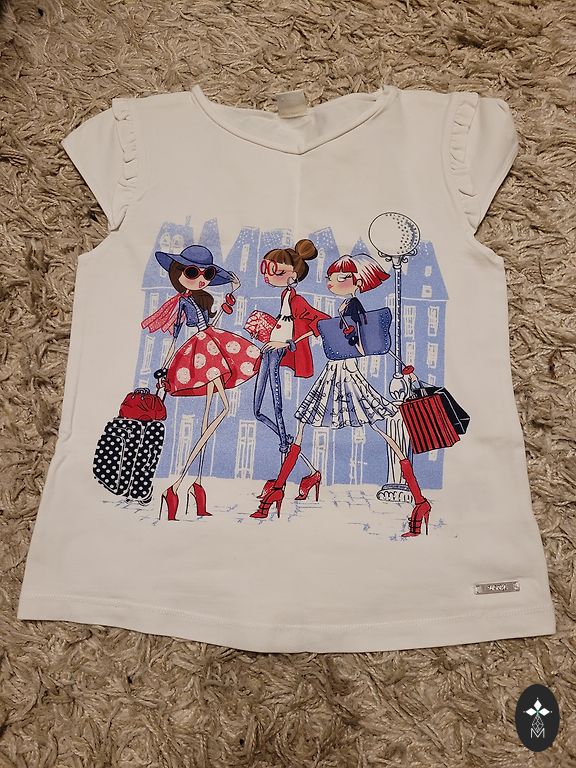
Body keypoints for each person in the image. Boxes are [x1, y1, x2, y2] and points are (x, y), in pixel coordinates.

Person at [251, 254, 432, 537]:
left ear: (357, 282)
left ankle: (419, 501)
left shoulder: (354, 306)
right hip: (336, 372)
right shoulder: (346, 305)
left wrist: (329, 336)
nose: (330, 283)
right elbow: (326, 332)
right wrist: (296, 339)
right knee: (305, 426)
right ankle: (278, 488)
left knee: (364, 428)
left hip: (344, 374)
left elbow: (359, 343)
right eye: (330, 278)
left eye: (340, 278)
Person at [141, 244, 260, 521]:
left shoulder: (203, 298)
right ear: (178, 273)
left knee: (208, 418)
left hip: (212, 342)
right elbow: (175, 337)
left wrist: (232, 293)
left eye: (207, 274)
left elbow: (210, 322)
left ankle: (197, 485)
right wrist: (165, 368)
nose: (201, 279)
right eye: (193, 273)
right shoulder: (182, 302)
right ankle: (177, 485)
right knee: (224, 408)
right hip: (201, 352)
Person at [253, 239, 330, 497]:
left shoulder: (297, 301)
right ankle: (308, 468)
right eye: (266, 269)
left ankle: (280, 481)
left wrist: (285, 342)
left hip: (277, 352)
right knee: (257, 411)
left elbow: (319, 322)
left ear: (293, 276)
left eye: (275, 271)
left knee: (277, 410)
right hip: (268, 351)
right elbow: (284, 325)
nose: (267, 276)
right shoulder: (284, 296)